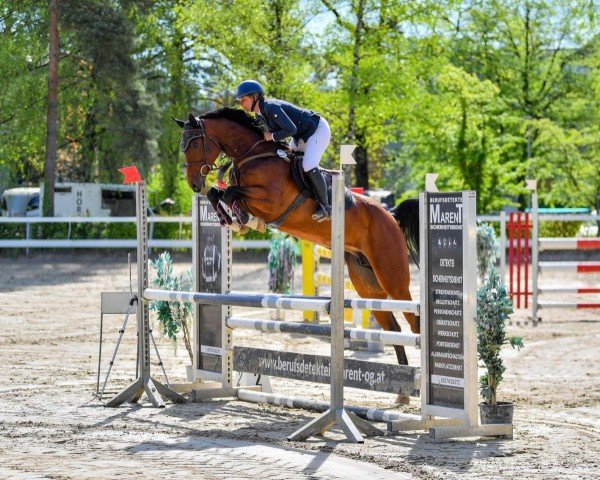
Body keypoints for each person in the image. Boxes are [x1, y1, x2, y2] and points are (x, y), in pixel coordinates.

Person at [235, 79, 331, 222]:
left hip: (317, 130)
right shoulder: (259, 114)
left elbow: (291, 129)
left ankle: (325, 207)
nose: (241, 104)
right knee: (286, 160)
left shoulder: (270, 107)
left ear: (255, 97)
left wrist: (272, 136)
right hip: (301, 136)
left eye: (243, 100)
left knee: (308, 165)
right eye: (240, 101)